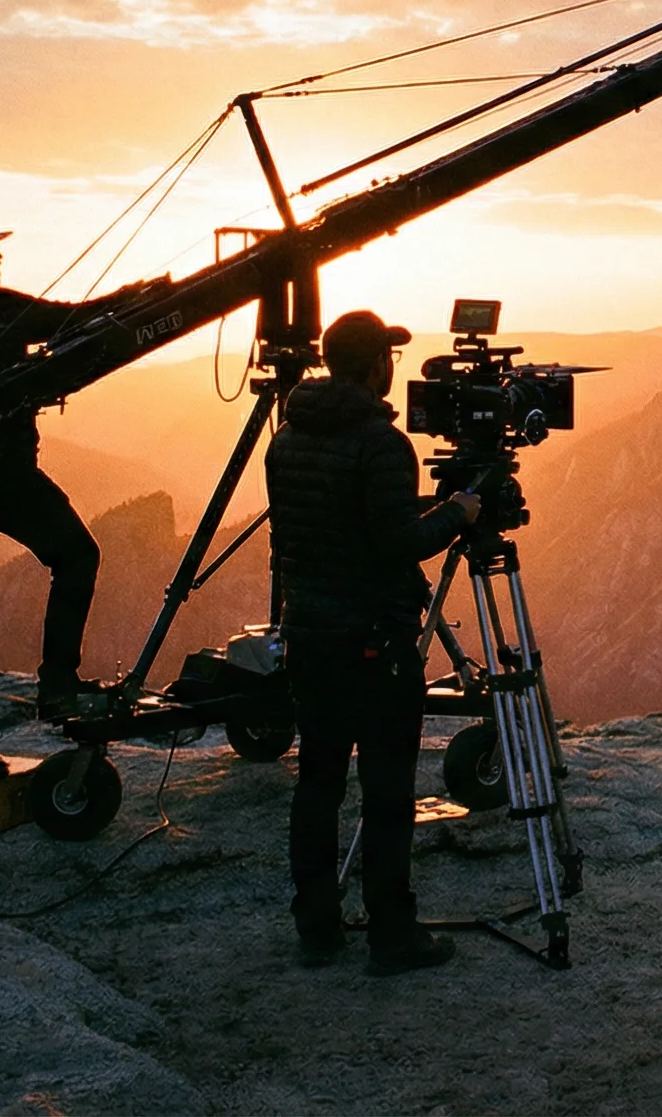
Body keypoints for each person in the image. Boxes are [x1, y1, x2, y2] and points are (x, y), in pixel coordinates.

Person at [266, 309, 481, 975]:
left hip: (310, 633)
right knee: (387, 792)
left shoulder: (288, 436)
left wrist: (421, 507)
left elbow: (340, 522)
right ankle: (392, 934)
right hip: (374, 642)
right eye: (387, 354)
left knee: (319, 783)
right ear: (370, 365)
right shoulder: (380, 443)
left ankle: (317, 925)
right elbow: (395, 544)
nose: (394, 364)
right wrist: (458, 513)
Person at [0, 212, 153, 762]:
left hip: (12, 476)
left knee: (77, 555)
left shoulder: (0, 308)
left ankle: (58, 682)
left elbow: (68, 320)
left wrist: (130, 298)